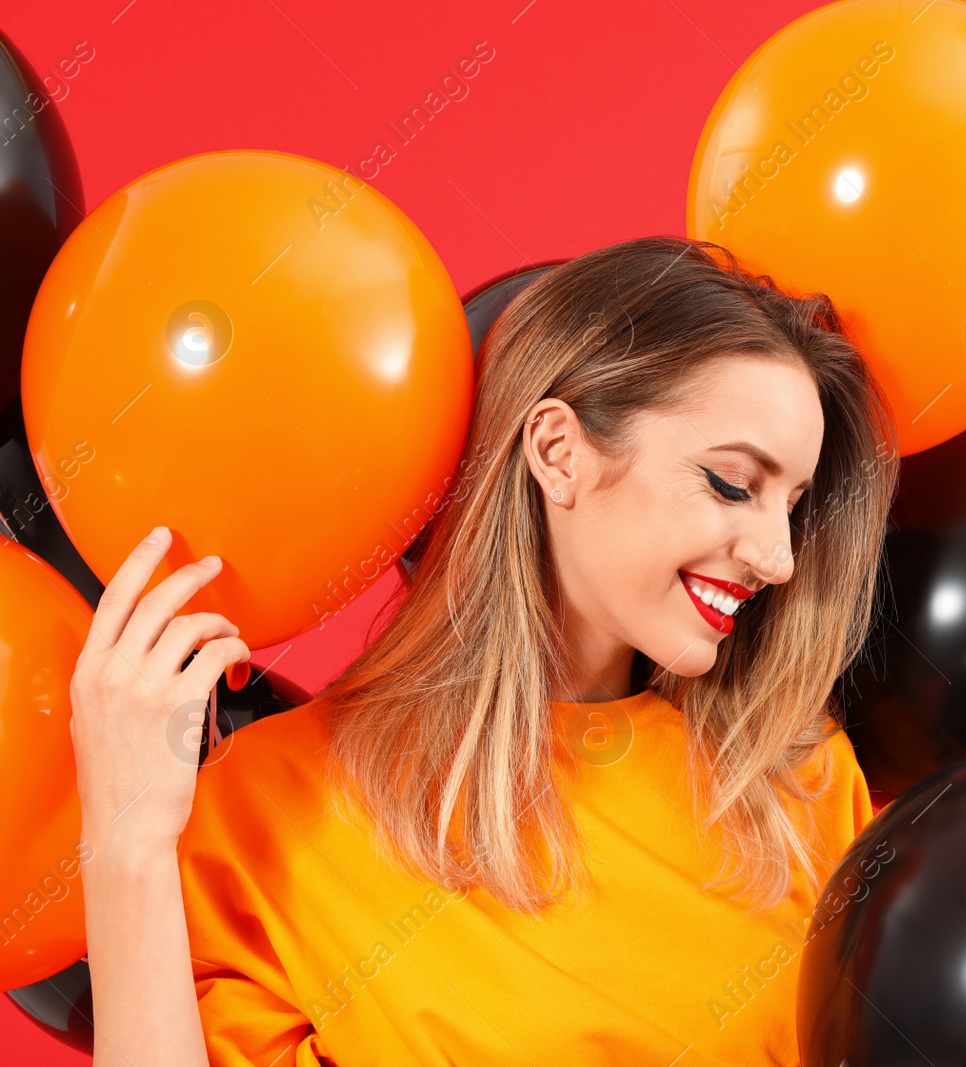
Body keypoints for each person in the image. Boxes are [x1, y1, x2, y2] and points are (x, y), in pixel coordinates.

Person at [70, 237, 900, 1065]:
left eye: (793, 504)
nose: (778, 557)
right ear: (557, 451)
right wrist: (126, 847)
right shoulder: (267, 812)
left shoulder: (800, 778)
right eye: (731, 483)